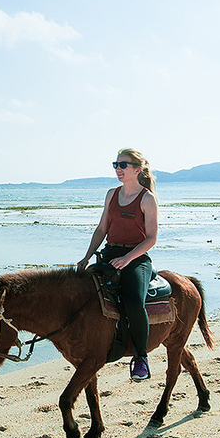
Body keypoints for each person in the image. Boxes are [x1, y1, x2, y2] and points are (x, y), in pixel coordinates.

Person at [76, 148, 158, 381]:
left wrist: (128, 258)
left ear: (137, 169)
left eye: (123, 165)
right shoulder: (111, 194)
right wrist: (87, 256)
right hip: (109, 255)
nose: (118, 169)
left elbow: (151, 238)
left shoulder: (147, 198)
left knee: (133, 301)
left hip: (136, 259)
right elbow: (102, 229)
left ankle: (141, 358)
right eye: (116, 164)